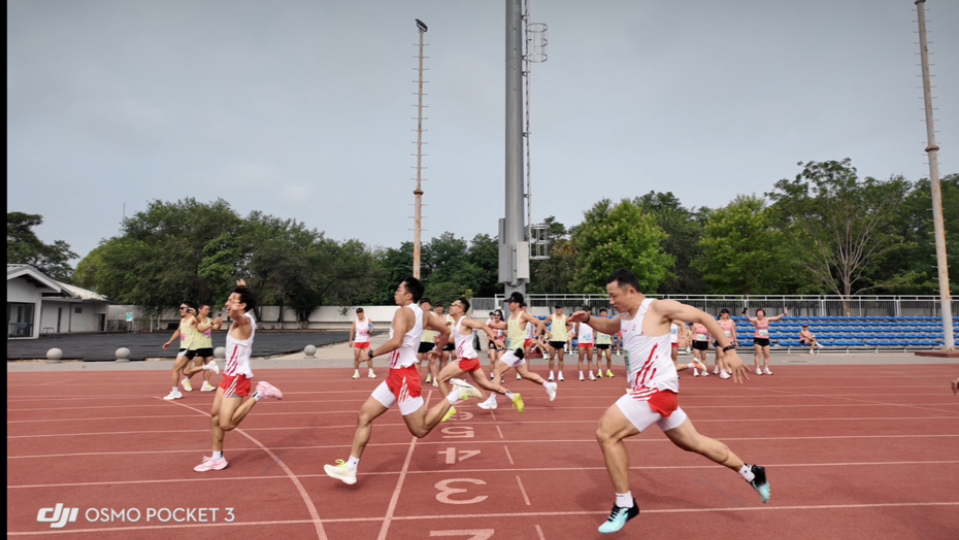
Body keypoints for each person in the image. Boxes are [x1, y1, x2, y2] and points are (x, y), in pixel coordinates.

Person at [568, 268, 769, 534]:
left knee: (606, 432)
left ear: (631, 291)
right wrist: (588, 319)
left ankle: (625, 504)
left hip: (656, 389)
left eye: (614, 295)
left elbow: (704, 317)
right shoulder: (626, 316)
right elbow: (608, 326)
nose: (611, 301)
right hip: (648, 390)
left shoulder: (657, 308)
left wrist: (729, 351)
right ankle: (751, 472)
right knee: (693, 442)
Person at [324, 277, 484, 486]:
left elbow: (397, 341)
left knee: (420, 430)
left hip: (405, 376)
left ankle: (457, 393)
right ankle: (351, 468)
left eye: (399, 289)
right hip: (395, 376)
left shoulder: (402, 312)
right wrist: (437, 350)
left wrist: (370, 353)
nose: (395, 292)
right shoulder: (424, 314)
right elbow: (445, 331)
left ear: (409, 295)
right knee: (364, 415)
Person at [193, 280, 284, 472]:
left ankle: (260, 393)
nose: (227, 304)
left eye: (231, 300)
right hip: (229, 377)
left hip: (238, 378)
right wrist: (242, 289)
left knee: (226, 423)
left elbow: (237, 315)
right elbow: (238, 310)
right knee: (215, 417)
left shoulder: (244, 321)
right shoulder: (243, 316)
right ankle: (217, 458)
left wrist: (236, 304)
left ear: (242, 306)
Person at [435, 298, 523, 420]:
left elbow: (482, 326)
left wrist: (495, 339)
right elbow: (456, 340)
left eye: (453, 304)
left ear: (461, 309)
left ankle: (450, 408)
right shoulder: (456, 324)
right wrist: (441, 340)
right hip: (472, 360)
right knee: (487, 385)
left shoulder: (464, 321)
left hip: (466, 360)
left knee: (440, 378)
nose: (450, 306)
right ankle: (513, 396)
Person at [478, 291, 558, 409]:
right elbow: (506, 326)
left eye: (510, 302)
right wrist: (493, 326)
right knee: (525, 374)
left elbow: (539, 323)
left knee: (497, 371)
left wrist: (536, 337)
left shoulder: (523, 315)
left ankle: (492, 400)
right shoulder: (511, 317)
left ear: (517, 303)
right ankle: (548, 385)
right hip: (514, 350)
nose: (509, 304)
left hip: (516, 350)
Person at [181, 304, 223, 392]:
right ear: (200, 310)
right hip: (198, 346)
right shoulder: (195, 319)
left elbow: (217, 329)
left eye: (208, 309)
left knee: (209, 366)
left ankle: (205, 384)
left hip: (208, 346)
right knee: (198, 367)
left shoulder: (209, 320)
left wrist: (219, 323)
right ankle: (186, 380)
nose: (208, 311)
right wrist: (213, 323)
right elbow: (201, 329)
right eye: (206, 309)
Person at [162, 301, 198, 400]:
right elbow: (178, 331)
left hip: (190, 348)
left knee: (175, 369)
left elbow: (200, 325)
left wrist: (195, 315)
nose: (180, 310)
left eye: (183, 308)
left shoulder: (193, 319)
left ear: (189, 309)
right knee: (186, 372)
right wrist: (169, 342)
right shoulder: (182, 320)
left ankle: (175, 392)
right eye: (180, 308)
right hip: (184, 347)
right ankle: (207, 366)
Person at [744, 307, 789, 375]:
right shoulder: (756, 320)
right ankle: (757, 369)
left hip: (765, 339)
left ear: (763, 314)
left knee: (767, 355)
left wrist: (783, 314)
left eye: (761, 315)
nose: (760, 316)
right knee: (758, 354)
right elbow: (749, 319)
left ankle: (766, 368)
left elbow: (776, 318)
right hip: (758, 338)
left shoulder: (767, 320)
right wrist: (746, 313)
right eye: (758, 315)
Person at [545, 305, 572, 382]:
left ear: (562, 309)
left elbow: (570, 325)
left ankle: (560, 374)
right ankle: (551, 374)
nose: (558, 310)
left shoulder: (565, 318)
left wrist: (565, 331)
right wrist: (547, 331)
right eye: (557, 308)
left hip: (562, 340)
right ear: (555, 309)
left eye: (560, 308)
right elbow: (543, 324)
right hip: (553, 339)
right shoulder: (551, 317)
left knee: (561, 358)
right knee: (552, 357)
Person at [349, 308, 376, 379]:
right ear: (357, 314)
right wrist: (350, 340)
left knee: (369, 356)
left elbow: (371, 330)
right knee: (356, 357)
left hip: (366, 341)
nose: (360, 314)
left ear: (363, 313)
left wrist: (369, 331)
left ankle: (371, 372)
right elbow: (352, 330)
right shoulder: (355, 322)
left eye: (361, 313)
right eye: (358, 313)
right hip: (358, 341)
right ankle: (356, 372)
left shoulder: (368, 320)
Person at [574, 307, 597, 381]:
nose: (586, 312)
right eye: (585, 311)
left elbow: (594, 330)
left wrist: (593, 336)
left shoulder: (592, 320)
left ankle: (591, 374)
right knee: (581, 358)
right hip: (582, 341)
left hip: (589, 341)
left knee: (590, 358)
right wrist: (578, 335)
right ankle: (581, 374)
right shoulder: (579, 321)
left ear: (590, 312)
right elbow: (576, 330)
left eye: (588, 311)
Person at [713, 309, 737, 379]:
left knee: (727, 356)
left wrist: (735, 340)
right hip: (720, 341)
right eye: (722, 313)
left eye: (725, 313)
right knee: (720, 356)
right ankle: (722, 372)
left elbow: (732, 331)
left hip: (728, 341)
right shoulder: (718, 322)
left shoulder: (731, 322)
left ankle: (727, 368)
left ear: (728, 314)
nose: (723, 315)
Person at [417, 298, 436, 384]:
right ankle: (416, 379)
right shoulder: (417, 315)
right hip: (420, 340)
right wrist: (426, 326)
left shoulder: (433, 315)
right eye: (423, 304)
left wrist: (428, 326)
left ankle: (433, 378)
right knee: (418, 360)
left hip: (430, 340)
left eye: (427, 304)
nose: (425, 305)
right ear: (421, 306)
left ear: (430, 306)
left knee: (431, 360)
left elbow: (434, 326)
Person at [595, 308, 615, 378]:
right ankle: (599, 371)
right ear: (600, 314)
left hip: (607, 342)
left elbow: (612, 332)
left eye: (604, 313)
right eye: (602, 313)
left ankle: (608, 371)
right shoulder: (597, 322)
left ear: (607, 314)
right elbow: (594, 331)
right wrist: (594, 339)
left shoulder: (610, 322)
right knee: (599, 356)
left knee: (608, 357)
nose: (603, 314)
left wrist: (612, 341)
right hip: (600, 341)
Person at [486, 309, 506, 377]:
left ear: (500, 316)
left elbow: (507, 334)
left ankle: (500, 374)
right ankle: (492, 375)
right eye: (495, 315)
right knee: (492, 359)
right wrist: (487, 348)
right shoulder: (491, 324)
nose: (496, 316)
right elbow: (487, 333)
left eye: (498, 315)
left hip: (501, 342)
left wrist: (503, 332)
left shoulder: (503, 324)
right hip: (492, 342)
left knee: (500, 360)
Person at [436, 303, 455, 371]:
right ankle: (442, 374)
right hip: (446, 340)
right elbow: (440, 327)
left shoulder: (458, 318)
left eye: (453, 308)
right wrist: (445, 324)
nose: (451, 309)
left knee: (454, 356)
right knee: (445, 357)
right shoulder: (445, 317)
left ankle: (453, 374)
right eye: (450, 308)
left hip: (455, 340)